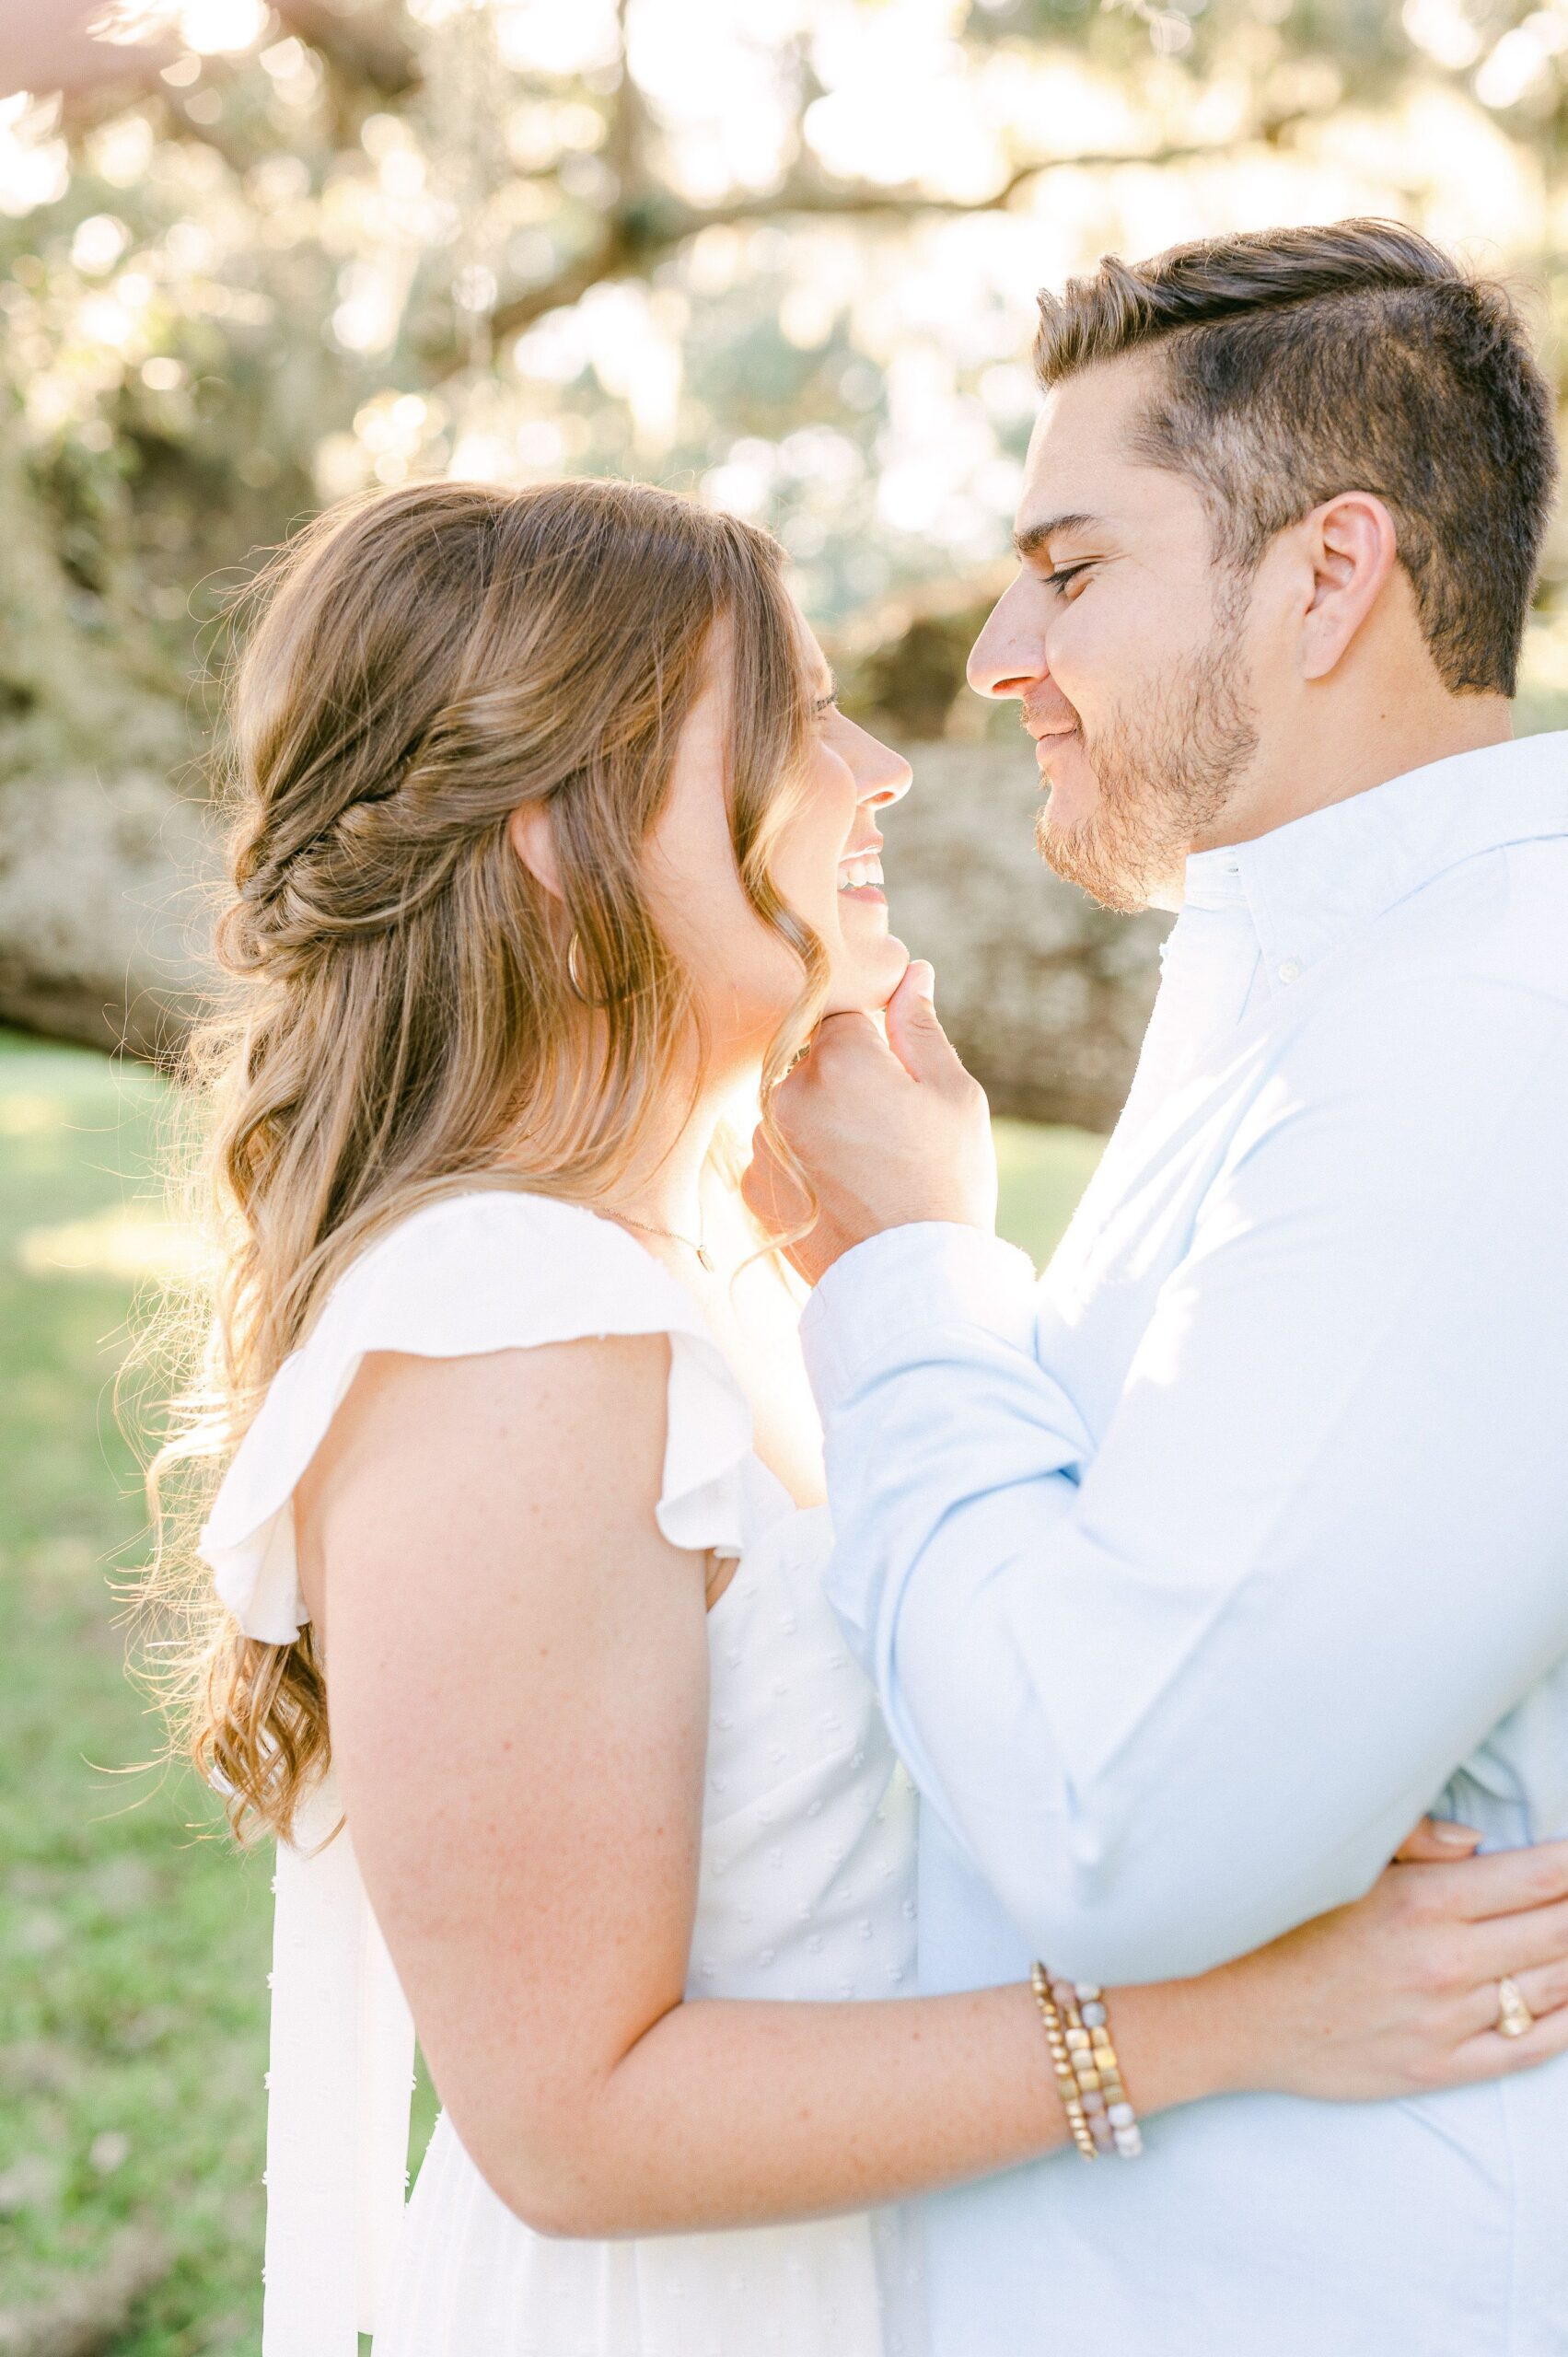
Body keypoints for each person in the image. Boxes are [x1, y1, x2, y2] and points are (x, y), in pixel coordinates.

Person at [141, 475, 1568, 2357]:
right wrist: (1240, 2016)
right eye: (791, 722)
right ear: (562, 838)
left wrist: (926, 1249)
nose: (881, 763)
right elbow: (570, 2116)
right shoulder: (510, 1321)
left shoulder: (700, 1265)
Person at [751, 221, 1568, 2355]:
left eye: (1075, 563)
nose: (1003, 651)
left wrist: (912, 1273)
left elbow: (1115, 1819)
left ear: (1328, 573)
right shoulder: (1333, 988)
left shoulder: (1486, 1036)